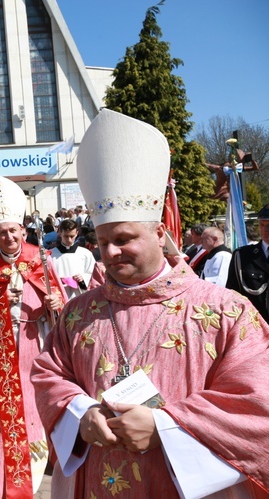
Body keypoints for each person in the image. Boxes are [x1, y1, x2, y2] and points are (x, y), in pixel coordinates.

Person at [31, 109, 269, 496]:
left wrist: (167, 426)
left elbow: (258, 400)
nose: (110, 252)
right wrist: (80, 413)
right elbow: (48, 375)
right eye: (103, 241)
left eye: (124, 239)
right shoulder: (78, 313)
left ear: (160, 232)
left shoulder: (227, 311)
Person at [0, 177, 65, 497]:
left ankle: (34, 473)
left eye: (12, 230)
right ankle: (5, 479)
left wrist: (54, 307)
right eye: (1, 232)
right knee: (3, 413)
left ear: (23, 230)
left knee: (35, 411)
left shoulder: (41, 261)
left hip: (34, 349)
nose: (8, 236)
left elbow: (61, 314)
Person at [226, 204, 269, 321]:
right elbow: (232, 293)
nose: (265, 230)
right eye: (262, 225)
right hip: (253, 325)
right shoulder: (242, 256)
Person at [50, 218, 96, 299]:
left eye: (72, 236)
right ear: (60, 233)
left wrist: (82, 278)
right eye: (66, 236)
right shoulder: (50, 254)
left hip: (79, 296)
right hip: (59, 297)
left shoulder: (85, 254)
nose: (69, 240)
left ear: (77, 233)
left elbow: (93, 274)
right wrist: (56, 280)